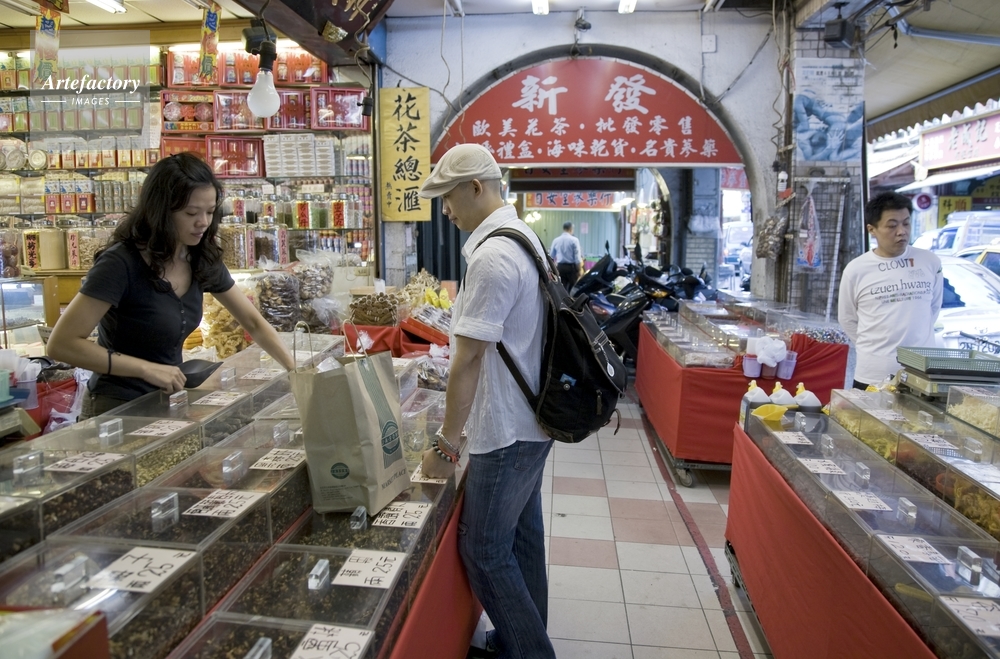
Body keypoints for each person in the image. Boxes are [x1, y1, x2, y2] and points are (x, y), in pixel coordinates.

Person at [417, 143, 555, 659]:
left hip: (506, 431)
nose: (445, 211)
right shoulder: (523, 238)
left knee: (484, 551)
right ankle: (523, 639)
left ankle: (531, 651)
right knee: (523, 536)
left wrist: (447, 445)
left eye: (448, 197)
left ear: (476, 188)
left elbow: (468, 358)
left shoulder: (493, 257)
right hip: (534, 420)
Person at [47, 153, 295, 417]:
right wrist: (146, 369)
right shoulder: (120, 264)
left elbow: (254, 323)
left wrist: (296, 372)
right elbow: (62, 344)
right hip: (116, 406)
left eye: (210, 212)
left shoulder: (200, 257)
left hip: (168, 400)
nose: (203, 222)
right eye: (191, 213)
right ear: (161, 211)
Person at [838, 191, 943, 389]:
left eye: (906, 223)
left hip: (921, 373)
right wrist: (875, 350)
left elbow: (933, 307)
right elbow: (847, 318)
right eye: (892, 225)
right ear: (872, 229)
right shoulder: (856, 269)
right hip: (873, 374)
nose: (901, 231)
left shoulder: (929, 261)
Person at [549, 221, 583, 291]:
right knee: (573, 289)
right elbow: (577, 258)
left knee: (561, 288)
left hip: (560, 267)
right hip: (571, 268)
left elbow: (551, 256)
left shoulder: (556, 240)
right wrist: (579, 269)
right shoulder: (574, 240)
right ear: (571, 229)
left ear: (563, 229)